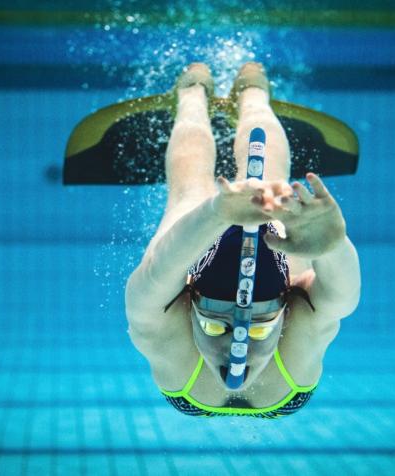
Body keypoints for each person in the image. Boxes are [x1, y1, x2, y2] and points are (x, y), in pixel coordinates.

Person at [124, 62, 361, 418]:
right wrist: (214, 213)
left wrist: (332, 244)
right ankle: (196, 93)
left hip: (257, 271)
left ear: (285, 304)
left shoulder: (159, 325)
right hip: (207, 262)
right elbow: (341, 297)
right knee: (197, 195)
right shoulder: (167, 321)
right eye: (213, 325)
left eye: (263, 328)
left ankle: (249, 94)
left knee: (245, 193)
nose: (238, 348)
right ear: (190, 297)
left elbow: (341, 299)